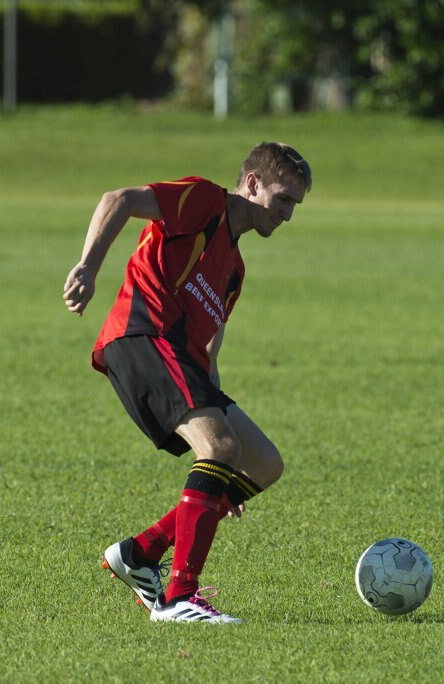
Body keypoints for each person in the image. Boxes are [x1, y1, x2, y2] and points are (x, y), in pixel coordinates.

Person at [63, 142, 312, 624]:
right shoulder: (203, 202)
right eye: (282, 199)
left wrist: (222, 483)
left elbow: (209, 353)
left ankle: (139, 553)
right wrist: (88, 267)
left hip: (181, 360)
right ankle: (179, 597)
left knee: (262, 463)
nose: (287, 214)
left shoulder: (234, 271)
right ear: (253, 184)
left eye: (295, 205)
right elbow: (118, 198)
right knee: (218, 447)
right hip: (141, 336)